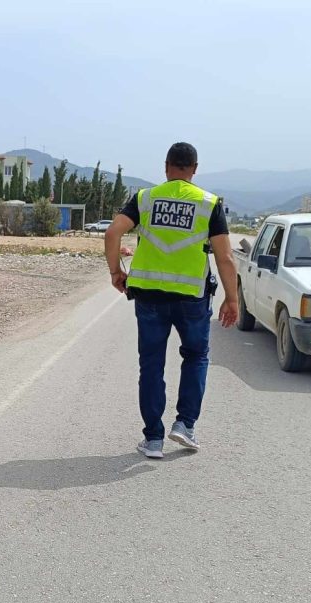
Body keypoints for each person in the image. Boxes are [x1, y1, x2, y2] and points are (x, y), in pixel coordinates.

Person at [104, 142, 239, 459]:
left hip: (149, 297)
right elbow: (226, 257)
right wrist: (232, 299)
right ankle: (185, 425)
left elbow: (112, 234)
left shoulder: (145, 199)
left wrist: (115, 272)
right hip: (191, 298)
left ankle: (153, 439)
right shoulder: (209, 204)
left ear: (166, 167)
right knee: (196, 357)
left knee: (151, 365)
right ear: (194, 169)